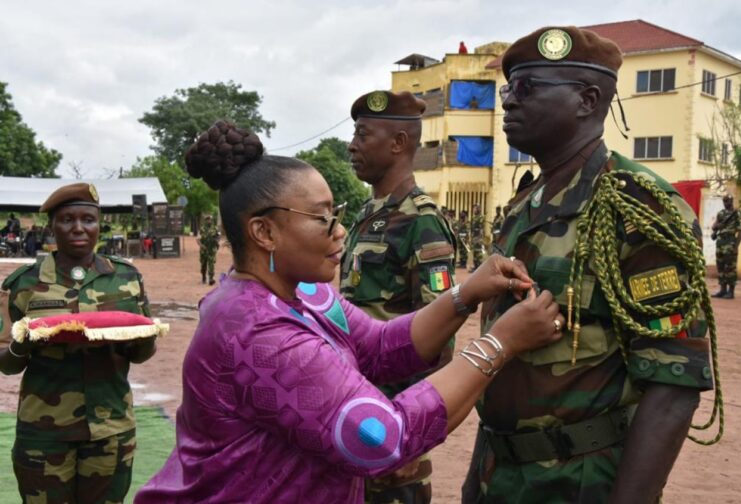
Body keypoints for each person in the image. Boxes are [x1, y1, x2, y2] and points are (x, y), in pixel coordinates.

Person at [135, 121, 564, 504]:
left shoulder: (304, 293)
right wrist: (500, 342)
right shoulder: (259, 333)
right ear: (264, 232)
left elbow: (380, 345)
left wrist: (465, 295)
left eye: (336, 214)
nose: (340, 231)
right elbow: (381, 438)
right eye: (322, 218)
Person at [461, 26, 716, 503]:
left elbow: (673, 384)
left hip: (582, 482)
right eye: (507, 89)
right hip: (501, 476)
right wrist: (477, 478)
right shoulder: (524, 204)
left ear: (587, 99)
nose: (509, 103)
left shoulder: (638, 207)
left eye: (526, 89)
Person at [0, 182, 157, 503]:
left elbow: (142, 354)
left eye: (88, 219)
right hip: (45, 432)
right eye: (67, 219)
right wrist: (26, 341)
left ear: (99, 225)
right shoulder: (23, 284)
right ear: (51, 226)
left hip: (110, 428)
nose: (78, 228)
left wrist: (143, 336)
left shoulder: (126, 278)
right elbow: (6, 363)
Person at [341, 90, 457, 503]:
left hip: (391, 423)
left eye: (362, 135)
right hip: (351, 407)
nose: (352, 146)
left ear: (398, 143)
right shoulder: (364, 215)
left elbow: (440, 333)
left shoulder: (421, 221)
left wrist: (410, 427)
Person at [711, 194, 741, 299]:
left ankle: (731, 291)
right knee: (720, 266)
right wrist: (718, 226)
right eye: (724, 201)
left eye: (728, 201)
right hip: (720, 242)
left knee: (730, 267)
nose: (726, 203)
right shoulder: (721, 213)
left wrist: (736, 246)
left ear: (732, 201)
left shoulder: (737, 213)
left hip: (730, 242)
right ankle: (722, 289)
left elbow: (740, 231)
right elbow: (714, 226)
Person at [198, 214, 220, 285]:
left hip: (212, 249)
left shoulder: (215, 228)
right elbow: (198, 239)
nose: (209, 221)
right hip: (204, 250)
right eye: (207, 220)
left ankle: (211, 278)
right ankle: (203, 276)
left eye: (210, 219)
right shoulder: (202, 229)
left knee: (211, 264)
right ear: (205, 221)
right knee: (203, 264)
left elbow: (218, 237)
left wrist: (216, 241)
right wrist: (201, 246)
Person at [470, 204, 486, 272]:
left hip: (478, 236)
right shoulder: (473, 218)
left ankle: (479, 268)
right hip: (474, 236)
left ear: (478, 209)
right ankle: (475, 266)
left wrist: (480, 238)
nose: (474, 210)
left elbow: (482, 228)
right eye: (474, 208)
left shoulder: (481, 217)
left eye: (475, 208)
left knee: (479, 252)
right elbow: (471, 227)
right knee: (474, 252)